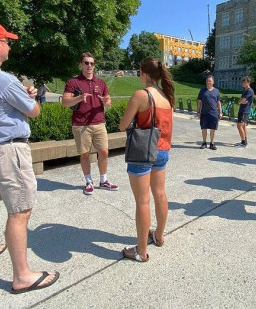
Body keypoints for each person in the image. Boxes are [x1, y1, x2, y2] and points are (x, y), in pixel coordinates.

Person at [0, 20, 59, 293]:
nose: (8, 46)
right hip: (7, 151)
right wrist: (31, 96)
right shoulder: (3, 79)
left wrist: (21, 95)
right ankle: (22, 276)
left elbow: (2, 102)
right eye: (6, 41)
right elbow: (34, 111)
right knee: (20, 211)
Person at [119, 57, 175, 262]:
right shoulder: (167, 96)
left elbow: (123, 125)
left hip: (143, 152)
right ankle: (159, 236)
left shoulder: (141, 95)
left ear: (144, 74)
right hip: (162, 151)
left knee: (142, 201)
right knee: (160, 194)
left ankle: (141, 251)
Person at [62, 52, 118, 195]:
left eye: (92, 63)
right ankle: (88, 181)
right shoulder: (73, 83)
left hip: (99, 123)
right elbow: (65, 102)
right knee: (85, 154)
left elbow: (109, 101)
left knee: (104, 152)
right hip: (81, 125)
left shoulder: (101, 83)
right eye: (86, 63)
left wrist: (107, 102)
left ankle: (104, 180)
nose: (89, 66)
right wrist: (79, 98)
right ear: (81, 64)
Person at [197, 75, 222, 150]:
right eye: (207, 81)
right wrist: (198, 112)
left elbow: (219, 102)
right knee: (204, 128)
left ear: (213, 82)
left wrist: (220, 112)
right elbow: (199, 102)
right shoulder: (202, 91)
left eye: (210, 81)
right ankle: (204, 143)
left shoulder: (216, 91)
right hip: (204, 113)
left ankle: (212, 143)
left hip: (214, 113)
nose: (208, 82)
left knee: (213, 129)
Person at [235, 77, 254, 147]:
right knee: (243, 126)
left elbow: (242, 100)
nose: (243, 83)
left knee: (239, 126)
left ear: (249, 83)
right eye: (243, 82)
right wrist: (241, 101)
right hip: (243, 110)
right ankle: (244, 141)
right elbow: (241, 100)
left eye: (245, 82)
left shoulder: (249, 91)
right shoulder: (245, 90)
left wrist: (240, 101)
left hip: (245, 111)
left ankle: (243, 142)